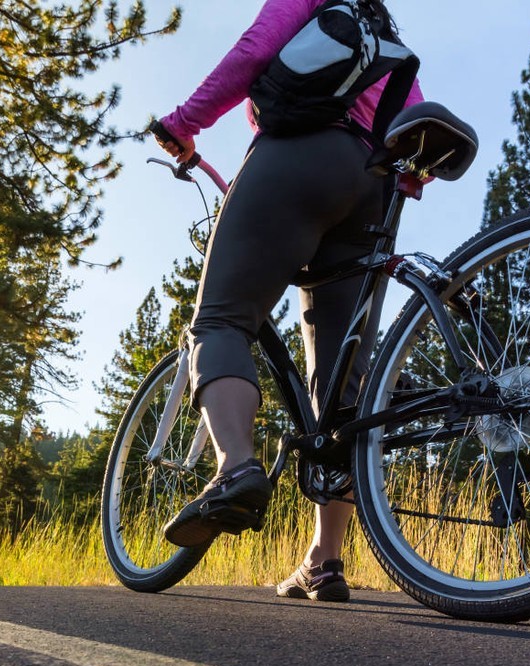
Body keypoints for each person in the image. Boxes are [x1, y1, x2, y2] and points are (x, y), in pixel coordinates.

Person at [153, 0, 423, 603]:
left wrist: (184, 122)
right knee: (340, 391)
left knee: (222, 319)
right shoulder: (382, 31)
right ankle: (325, 560)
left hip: (296, 159)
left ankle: (236, 468)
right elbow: (411, 129)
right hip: (370, 192)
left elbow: (252, 53)